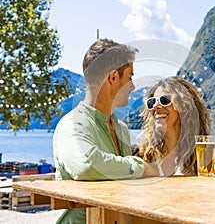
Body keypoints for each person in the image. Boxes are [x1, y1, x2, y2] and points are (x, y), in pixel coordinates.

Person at [53, 39, 158, 224]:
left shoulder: (121, 129)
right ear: (113, 78)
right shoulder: (71, 125)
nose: (133, 86)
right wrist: (142, 168)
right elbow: (87, 165)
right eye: (130, 77)